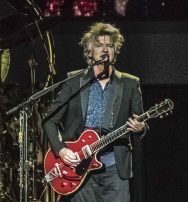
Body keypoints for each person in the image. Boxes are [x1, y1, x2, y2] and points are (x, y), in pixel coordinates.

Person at [43, 22, 147, 202]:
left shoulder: (130, 83)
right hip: (79, 165)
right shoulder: (74, 80)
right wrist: (61, 151)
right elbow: (49, 120)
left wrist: (140, 127)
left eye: (109, 46)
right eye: (99, 45)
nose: (105, 49)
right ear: (89, 51)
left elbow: (141, 125)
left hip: (115, 166)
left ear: (115, 51)